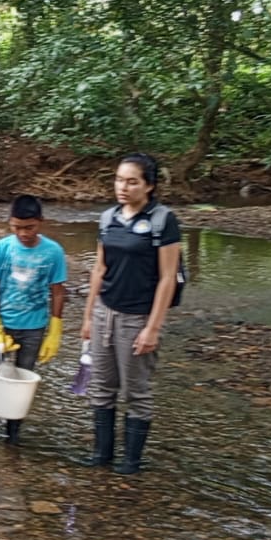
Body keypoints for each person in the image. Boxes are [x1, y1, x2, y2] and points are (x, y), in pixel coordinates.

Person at [80, 153, 181, 474]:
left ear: (149, 185)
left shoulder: (162, 220)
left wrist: (153, 328)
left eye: (132, 182)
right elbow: (100, 268)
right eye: (119, 180)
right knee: (101, 387)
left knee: (136, 391)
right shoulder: (108, 218)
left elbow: (167, 277)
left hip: (137, 317)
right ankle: (101, 456)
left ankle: (131, 462)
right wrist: (88, 316)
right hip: (104, 312)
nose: (122, 187)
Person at [0, 195, 66, 445]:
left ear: (41, 222)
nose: (23, 233)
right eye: (16, 227)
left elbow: (57, 291)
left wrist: (55, 328)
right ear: (10, 223)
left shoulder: (53, 252)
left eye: (29, 227)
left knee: (23, 382)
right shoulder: (0, 249)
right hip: (2, 325)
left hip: (34, 327)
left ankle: (12, 438)